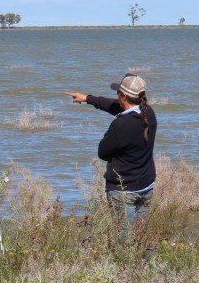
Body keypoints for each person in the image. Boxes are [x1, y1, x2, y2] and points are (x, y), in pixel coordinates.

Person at [65, 73, 157, 243]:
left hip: (124, 190)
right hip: (146, 186)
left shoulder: (121, 124)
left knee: (124, 237)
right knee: (141, 236)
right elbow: (114, 106)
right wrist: (88, 98)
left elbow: (103, 152)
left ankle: (125, 267)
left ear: (123, 96)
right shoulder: (148, 114)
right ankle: (145, 265)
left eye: (118, 93)